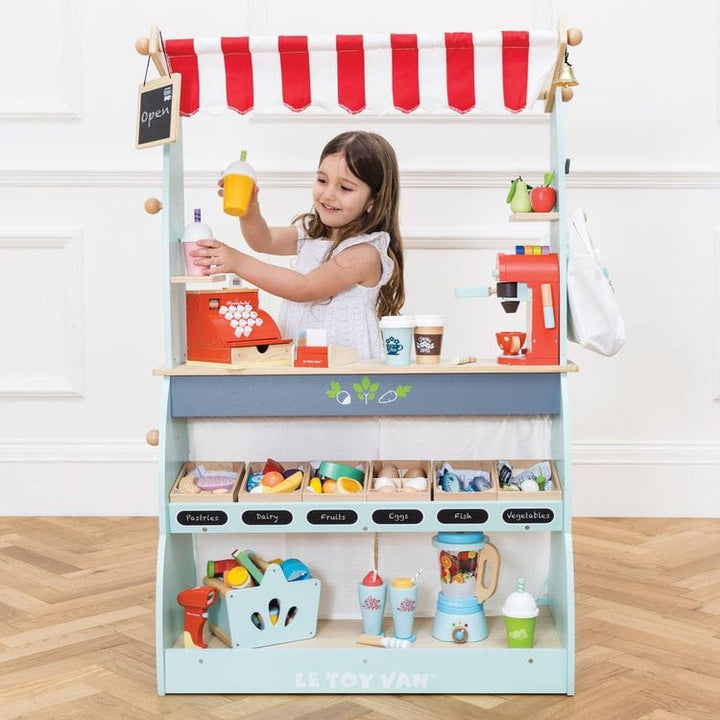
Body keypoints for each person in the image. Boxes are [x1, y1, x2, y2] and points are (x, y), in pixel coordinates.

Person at [191, 131, 405, 359]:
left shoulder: (364, 253)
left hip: (347, 366)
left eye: (345, 188)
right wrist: (249, 209)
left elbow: (305, 287)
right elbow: (263, 240)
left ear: (374, 200)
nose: (328, 194)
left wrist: (238, 262)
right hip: (303, 356)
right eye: (322, 180)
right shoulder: (312, 232)